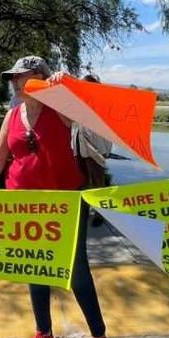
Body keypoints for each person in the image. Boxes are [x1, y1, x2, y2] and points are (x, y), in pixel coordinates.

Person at [0, 55, 118, 338]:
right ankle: (44, 333)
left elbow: (95, 113)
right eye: (11, 78)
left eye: (19, 76)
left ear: (38, 76)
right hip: (23, 207)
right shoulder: (11, 115)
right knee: (35, 268)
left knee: (77, 272)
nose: (14, 82)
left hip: (64, 204)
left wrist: (67, 86)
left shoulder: (63, 110)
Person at [71, 74, 113, 227]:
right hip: (79, 145)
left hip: (95, 147)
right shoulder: (78, 102)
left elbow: (108, 131)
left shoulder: (102, 104)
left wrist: (104, 150)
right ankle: (85, 208)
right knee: (82, 179)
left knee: (97, 181)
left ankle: (100, 213)